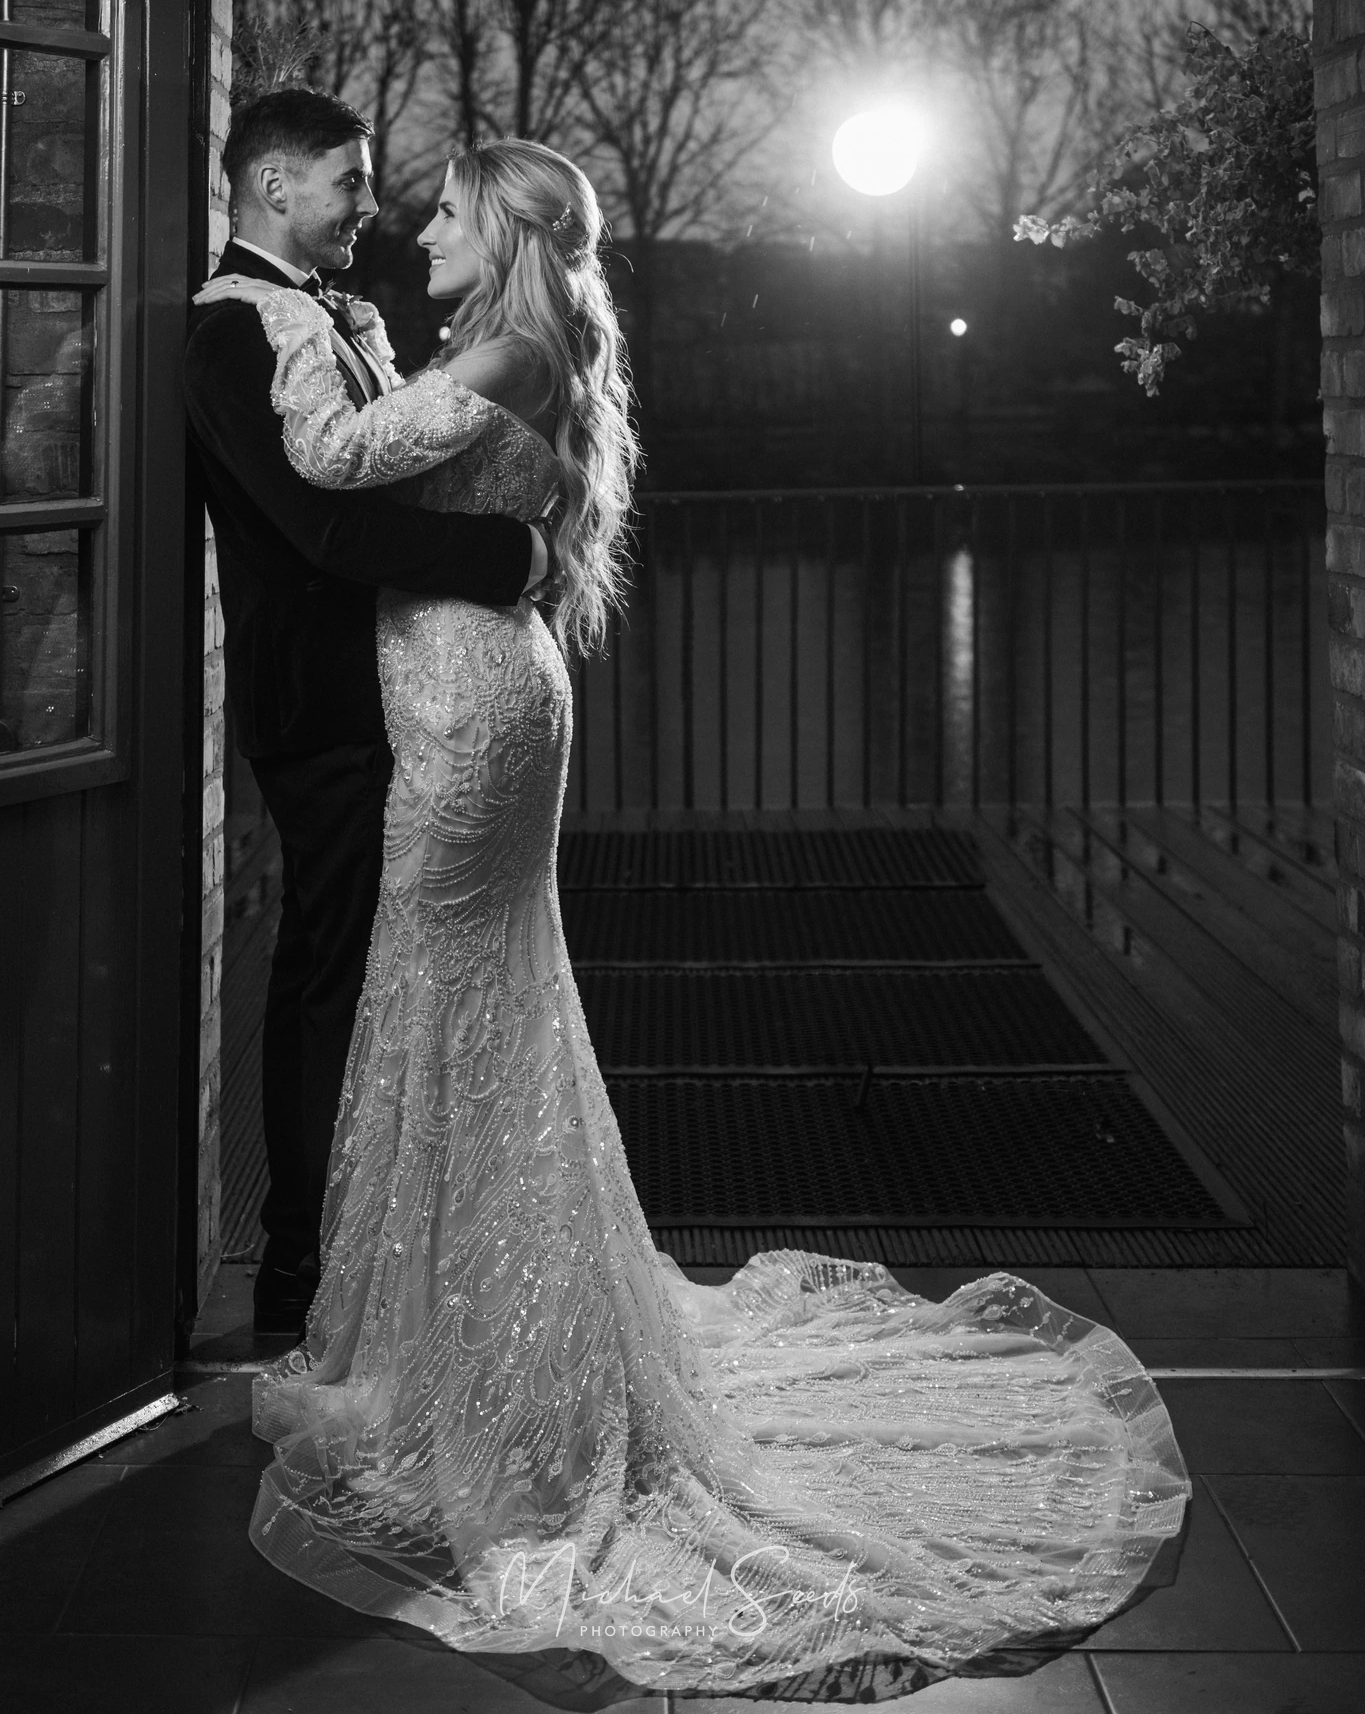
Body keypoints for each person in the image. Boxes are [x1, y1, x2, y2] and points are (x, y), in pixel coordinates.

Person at [192, 137, 1190, 1706]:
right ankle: (472, 1348)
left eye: (444, 209)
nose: (415, 227)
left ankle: (489, 1373)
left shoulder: (505, 344)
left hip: (468, 714)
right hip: (473, 697)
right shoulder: (496, 339)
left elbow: (326, 467)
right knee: (467, 1011)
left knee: (448, 1005)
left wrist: (269, 336)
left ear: (507, 228)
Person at [183, 88, 553, 1334]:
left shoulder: (341, 315)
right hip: (326, 702)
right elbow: (323, 523)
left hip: (413, 689)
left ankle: (400, 1252)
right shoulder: (230, 332)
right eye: (346, 180)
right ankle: (301, 1276)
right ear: (275, 186)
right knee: (332, 975)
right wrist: (511, 558)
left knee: (389, 970)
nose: (367, 204)